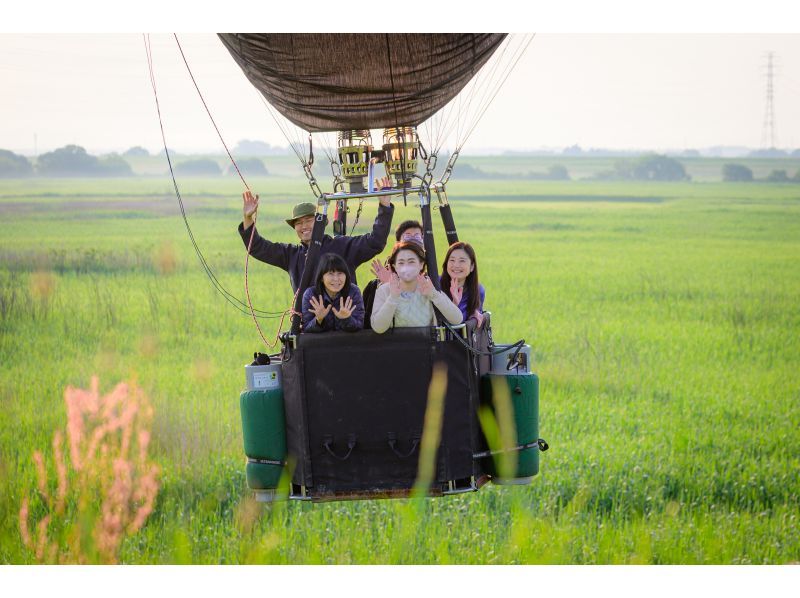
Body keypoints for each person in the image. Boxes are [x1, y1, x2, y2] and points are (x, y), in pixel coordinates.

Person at [238, 185, 394, 293]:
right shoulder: (291, 255)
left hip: (345, 325)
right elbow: (258, 248)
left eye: (308, 220)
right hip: (310, 329)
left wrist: (384, 208)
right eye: (298, 223)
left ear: (320, 222)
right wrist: (248, 217)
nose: (303, 226)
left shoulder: (343, 246)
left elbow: (375, 241)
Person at [370, 242, 462, 333]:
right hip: (395, 346)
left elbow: (457, 319)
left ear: (421, 264)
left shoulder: (429, 287)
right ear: (395, 266)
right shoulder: (384, 290)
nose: (406, 267)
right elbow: (378, 328)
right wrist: (392, 298)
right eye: (401, 263)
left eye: (411, 262)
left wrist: (434, 295)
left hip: (427, 346)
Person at [301, 253, 364, 332]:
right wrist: (318, 320)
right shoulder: (311, 295)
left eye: (340, 273)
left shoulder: (354, 292)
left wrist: (346, 319)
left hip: (348, 343)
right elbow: (306, 329)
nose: (336, 279)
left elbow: (360, 326)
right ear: (321, 278)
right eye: (330, 274)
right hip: (321, 344)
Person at [441, 241, 485, 328]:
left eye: (462, 261)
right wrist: (454, 304)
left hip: (463, 341)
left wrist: (474, 314)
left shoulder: (478, 290)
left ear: (472, 266)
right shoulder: (436, 285)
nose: (456, 265)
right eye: (452, 260)